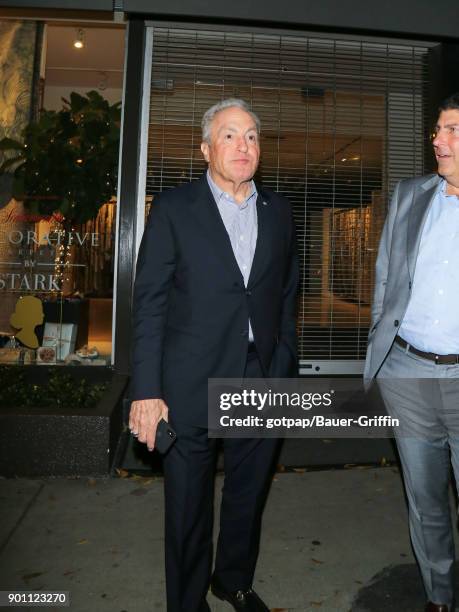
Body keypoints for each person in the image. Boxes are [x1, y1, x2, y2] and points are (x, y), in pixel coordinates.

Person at [129, 98, 298, 612]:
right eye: (229, 135)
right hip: (189, 381)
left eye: (250, 135)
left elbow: (287, 293)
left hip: (259, 376)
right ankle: (186, 601)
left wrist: (284, 362)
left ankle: (234, 581)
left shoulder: (280, 211)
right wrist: (148, 392)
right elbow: (150, 305)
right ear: (205, 148)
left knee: (248, 493)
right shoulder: (176, 209)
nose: (242, 146)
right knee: (187, 504)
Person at [364, 92, 459, 612]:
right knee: (425, 501)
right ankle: (438, 598)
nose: (437, 140)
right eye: (437, 129)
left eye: (451, 130)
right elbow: (386, 276)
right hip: (409, 372)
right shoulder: (410, 194)